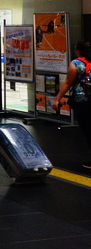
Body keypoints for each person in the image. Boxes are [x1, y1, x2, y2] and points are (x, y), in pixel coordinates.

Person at [53, 40, 91, 169]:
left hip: (83, 100)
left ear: (78, 51)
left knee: (88, 128)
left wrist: (58, 98)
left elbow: (68, 83)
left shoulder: (76, 63)